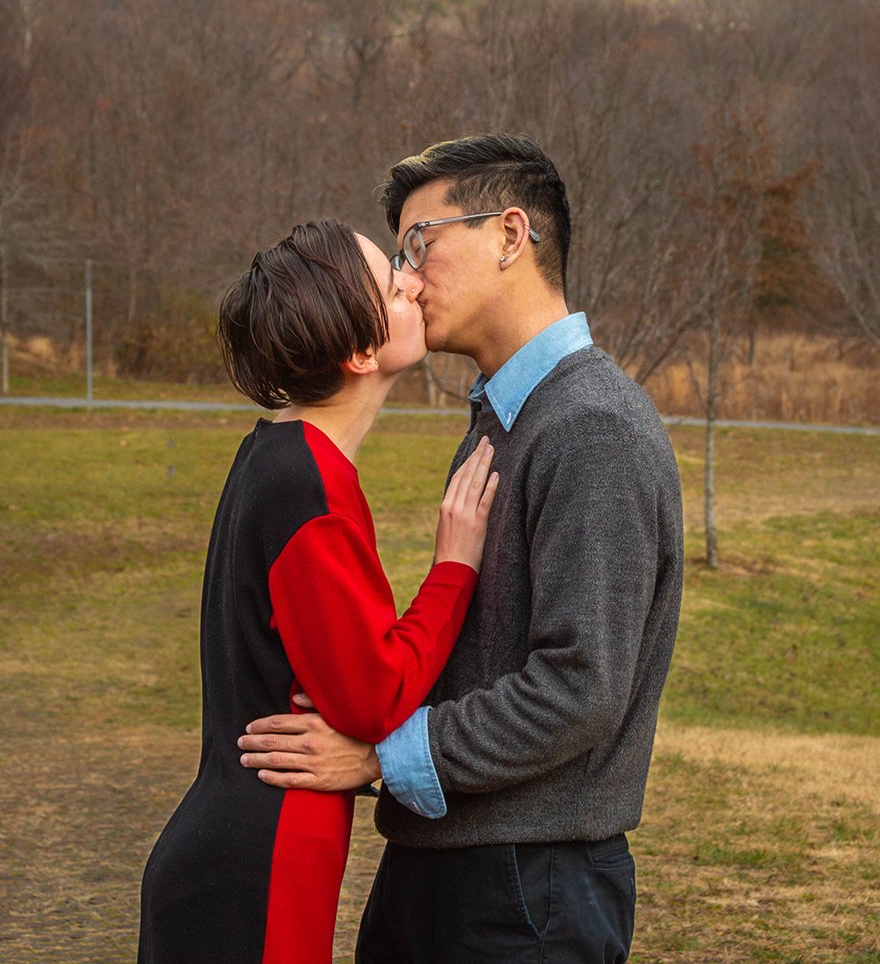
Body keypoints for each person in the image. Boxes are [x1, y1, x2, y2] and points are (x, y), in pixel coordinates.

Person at [238, 135, 685, 964]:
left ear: (511, 235)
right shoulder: (505, 420)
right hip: (455, 866)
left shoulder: (591, 427)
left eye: (421, 244)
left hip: (526, 892)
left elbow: (579, 690)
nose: (404, 278)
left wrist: (378, 754)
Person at [137, 219, 498, 964]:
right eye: (394, 283)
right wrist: (454, 568)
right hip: (255, 867)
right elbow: (373, 695)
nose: (416, 280)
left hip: (233, 850)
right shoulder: (308, 485)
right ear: (361, 352)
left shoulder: (275, 454)